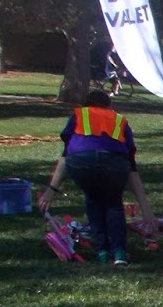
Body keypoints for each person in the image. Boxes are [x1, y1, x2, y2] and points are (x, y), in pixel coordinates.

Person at [42, 89, 156, 266]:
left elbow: (65, 156)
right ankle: (119, 252)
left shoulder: (78, 115)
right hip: (114, 163)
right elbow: (131, 168)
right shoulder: (120, 121)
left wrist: (51, 190)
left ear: (86, 104)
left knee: (93, 200)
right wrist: (146, 211)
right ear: (109, 106)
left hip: (81, 162)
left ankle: (102, 251)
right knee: (113, 203)